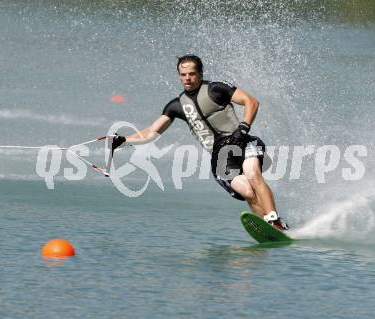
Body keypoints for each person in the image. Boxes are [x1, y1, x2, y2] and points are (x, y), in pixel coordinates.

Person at [112, 55, 288, 230]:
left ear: (200, 74)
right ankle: (269, 228)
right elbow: (151, 132)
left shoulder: (216, 89)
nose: (187, 78)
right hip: (221, 157)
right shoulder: (176, 106)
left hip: (241, 140)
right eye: (183, 75)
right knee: (248, 192)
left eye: (191, 74)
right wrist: (124, 140)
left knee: (253, 175)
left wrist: (243, 128)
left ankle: (274, 218)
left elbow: (251, 102)